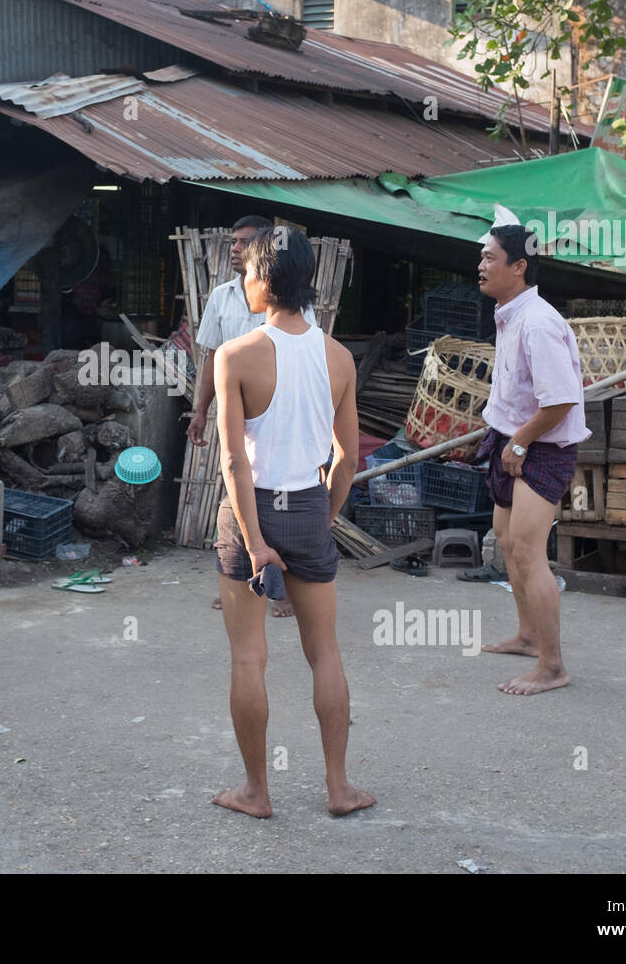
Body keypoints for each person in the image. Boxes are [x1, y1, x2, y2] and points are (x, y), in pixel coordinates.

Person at [211, 227, 374, 819]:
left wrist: (255, 542)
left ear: (266, 279)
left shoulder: (236, 355)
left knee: (248, 658)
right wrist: (320, 521)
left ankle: (256, 791)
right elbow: (349, 458)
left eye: (247, 272)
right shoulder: (339, 358)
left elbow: (232, 460)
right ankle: (339, 789)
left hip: (248, 512)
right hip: (307, 505)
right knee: (324, 653)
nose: (243, 282)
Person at [476, 224, 588, 695]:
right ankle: (527, 636)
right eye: (481, 257)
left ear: (519, 267)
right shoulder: (510, 313)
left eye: (490, 258)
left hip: (541, 446)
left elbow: (560, 401)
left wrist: (519, 443)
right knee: (505, 541)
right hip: (511, 438)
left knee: (527, 551)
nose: (480, 266)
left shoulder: (538, 323)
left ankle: (553, 666)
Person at [189, 216, 317, 618]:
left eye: (245, 243)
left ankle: (283, 590)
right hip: (235, 410)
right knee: (236, 488)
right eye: (233, 242)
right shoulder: (222, 297)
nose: (235, 249)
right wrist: (200, 409)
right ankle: (238, 579)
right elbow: (211, 357)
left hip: (275, 410)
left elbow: (302, 357)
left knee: (277, 491)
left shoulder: (297, 309)